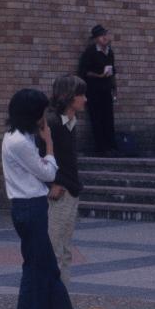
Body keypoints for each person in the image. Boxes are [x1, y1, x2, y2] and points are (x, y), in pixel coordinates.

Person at [2, 89, 75, 309]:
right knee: (36, 267)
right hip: (29, 206)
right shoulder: (20, 142)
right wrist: (50, 144)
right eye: (41, 112)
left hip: (29, 205)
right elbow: (47, 172)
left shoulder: (18, 136)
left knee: (46, 266)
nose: (44, 117)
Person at [47, 76, 86, 288]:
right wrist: (54, 183)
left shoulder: (70, 122)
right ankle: (54, 304)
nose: (84, 99)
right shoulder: (52, 122)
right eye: (80, 94)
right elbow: (42, 155)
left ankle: (62, 298)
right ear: (68, 96)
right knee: (56, 250)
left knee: (64, 249)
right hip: (59, 192)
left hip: (70, 189)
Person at [78, 24, 117, 154]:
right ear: (96, 39)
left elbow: (113, 70)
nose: (105, 38)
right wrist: (99, 75)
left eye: (105, 35)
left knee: (108, 117)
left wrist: (113, 86)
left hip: (106, 89)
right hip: (94, 90)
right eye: (102, 36)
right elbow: (83, 72)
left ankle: (111, 146)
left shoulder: (109, 52)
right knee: (97, 118)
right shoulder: (90, 52)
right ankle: (100, 148)